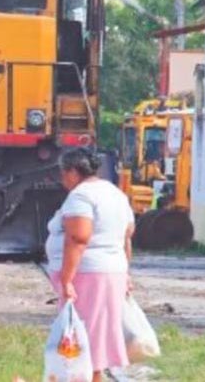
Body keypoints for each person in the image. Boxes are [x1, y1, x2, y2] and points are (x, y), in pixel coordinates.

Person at [45, 148, 135, 382]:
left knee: (81, 338)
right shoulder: (115, 193)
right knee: (94, 337)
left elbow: (78, 238)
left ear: (73, 172)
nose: (62, 178)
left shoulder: (81, 196)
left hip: (87, 275)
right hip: (109, 272)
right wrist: (125, 272)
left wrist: (66, 279)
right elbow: (126, 235)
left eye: (63, 173)